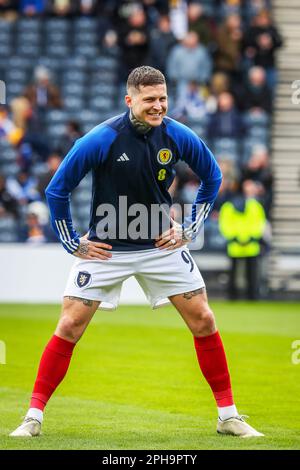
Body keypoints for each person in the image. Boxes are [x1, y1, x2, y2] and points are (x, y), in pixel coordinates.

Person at [10, 66, 263, 438]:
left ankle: (228, 415)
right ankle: (33, 417)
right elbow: (56, 190)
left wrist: (190, 230)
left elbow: (213, 177)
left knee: (204, 320)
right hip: (107, 251)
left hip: (161, 247)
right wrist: (72, 241)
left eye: (162, 99)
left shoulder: (177, 134)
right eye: (149, 100)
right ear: (129, 100)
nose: (158, 106)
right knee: (69, 326)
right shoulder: (100, 139)